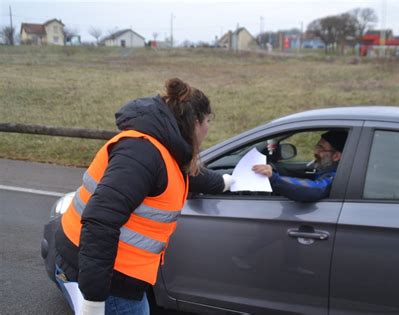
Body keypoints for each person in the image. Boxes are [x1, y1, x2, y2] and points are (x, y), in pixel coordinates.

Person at [54, 78, 232, 314]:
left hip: (109, 272)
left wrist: (225, 182)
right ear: (195, 122)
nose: (209, 129)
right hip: (108, 281)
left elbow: (180, 175)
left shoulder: (165, 147)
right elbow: (101, 220)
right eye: (208, 121)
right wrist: (94, 300)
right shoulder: (142, 152)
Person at [252, 130, 348, 202]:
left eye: (321, 148)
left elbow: (315, 188)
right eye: (317, 146)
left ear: (336, 156)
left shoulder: (336, 177)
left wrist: (274, 178)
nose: (315, 151)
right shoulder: (326, 170)